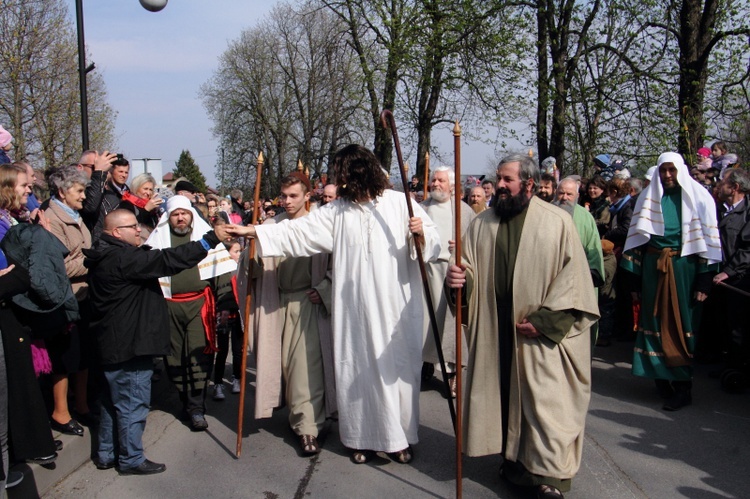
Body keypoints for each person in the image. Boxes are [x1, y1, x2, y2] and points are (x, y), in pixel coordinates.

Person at [227, 144, 440, 465]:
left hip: (396, 308)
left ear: (360, 174)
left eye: (344, 177)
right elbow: (296, 233)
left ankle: (399, 440)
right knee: (358, 371)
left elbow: (433, 243)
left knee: (397, 373)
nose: (341, 184)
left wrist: (421, 233)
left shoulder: (401, 204)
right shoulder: (338, 211)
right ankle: (361, 439)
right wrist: (254, 231)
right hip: (354, 310)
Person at [446, 153, 599, 499]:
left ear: (528, 184)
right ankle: (515, 465)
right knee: (505, 402)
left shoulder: (556, 222)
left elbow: (574, 281)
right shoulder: (481, 224)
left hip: (541, 336)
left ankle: (552, 479)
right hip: (497, 333)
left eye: (507, 180)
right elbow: (467, 271)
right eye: (498, 178)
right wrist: (456, 280)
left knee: (546, 407)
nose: (498, 185)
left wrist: (546, 321)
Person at [84, 209, 231, 474]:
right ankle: (131, 459)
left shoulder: (104, 253)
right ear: (117, 232)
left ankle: (106, 453)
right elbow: (168, 260)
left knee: (109, 402)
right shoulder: (123, 257)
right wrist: (209, 240)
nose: (139, 230)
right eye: (132, 226)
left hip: (111, 342)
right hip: (130, 345)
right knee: (132, 402)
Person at [621, 152, 721, 411]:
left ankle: (683, 386)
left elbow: (707, 246)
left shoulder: (700, 198)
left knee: (680, 324)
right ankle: (660, 379)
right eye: (663, 170)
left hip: (683, 269)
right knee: (653, 321)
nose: (667, 176)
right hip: (653, 271)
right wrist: (633, 282)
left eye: (671, 170)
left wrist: (704, 280)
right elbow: (637, 242)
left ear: (680, 171)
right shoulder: (649, 196)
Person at [248, 173, 335, 455]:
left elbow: (342, 262)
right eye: (283, 196)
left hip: (307, 302)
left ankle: (308, 428)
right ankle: (297, 416)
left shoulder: (321, 223)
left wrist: (324, 287)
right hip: (276, 301)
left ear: (307, 195)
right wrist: (252, 257)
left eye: (293, 196)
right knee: (282, 365)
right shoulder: (272, 225)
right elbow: (255, 267)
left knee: (304, 368)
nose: (286, 201)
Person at [144, 196, 236, 431]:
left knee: (198, 354)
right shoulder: (157, 241)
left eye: (185, 213)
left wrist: (225, 305)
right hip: (168, 306)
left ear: (192, 215)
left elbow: (222, 273)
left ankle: (197, 408)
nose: (181, 217)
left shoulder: (205, 239)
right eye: (176, 214)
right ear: (168, 217)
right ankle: (185, 401)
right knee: (175, 356)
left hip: (198, 305)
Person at [44, 166, 96, 435]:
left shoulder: (75, 216)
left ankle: (83, 406)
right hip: (66, 299)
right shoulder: (51, 221)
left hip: (84, 296)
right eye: (79, 190)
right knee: (65, 358)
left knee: (83, 355)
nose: (84, 196)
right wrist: (92, 260)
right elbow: (59, 266)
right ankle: (61, 412)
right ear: (63, 192)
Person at [419, 166, 475, 396]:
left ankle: (452, 373)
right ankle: (426, 363)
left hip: (451, 273)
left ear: (452, 186)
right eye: (433, 180)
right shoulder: (421, 208)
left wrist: (460, 247)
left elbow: (473, 243)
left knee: (451, 325)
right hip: (426, 272)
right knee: (425, 323)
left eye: (441, 180)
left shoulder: (463, 211)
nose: (435, 184)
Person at [712, 169, 750, 391]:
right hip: (721, 280)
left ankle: (738, 368)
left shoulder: (747, 212)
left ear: (735, 187)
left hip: (739, 280)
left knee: (738, 327)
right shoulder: (721, 210)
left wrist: (729, 271)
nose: (720, 185)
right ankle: (727, 363)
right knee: (724, 323)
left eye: (724, 182)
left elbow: (747, 249)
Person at [212, 238, 243, 400]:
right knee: (222, 350)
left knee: (238, 350)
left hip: (239, 315)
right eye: (236, 251)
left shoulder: (242, 269)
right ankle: (218, 383)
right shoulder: (220, 270)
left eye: (240, 251)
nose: (239, 254)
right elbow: (219, 292)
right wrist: (222, 308)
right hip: (224, 315)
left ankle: (237, 378)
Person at [91, 154, 131, 243]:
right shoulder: (104, 192)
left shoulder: (129, 194)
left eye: (126, 172)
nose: (124, 175)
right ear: (112, 172)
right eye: (120, 171)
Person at [121, 173, 164, 243]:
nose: (148, 192)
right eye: (145, 189)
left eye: (150, 189)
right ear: (136, 188)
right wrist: (146, 210)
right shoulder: (127, 204)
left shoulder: (152, 205)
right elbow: (131, 225)